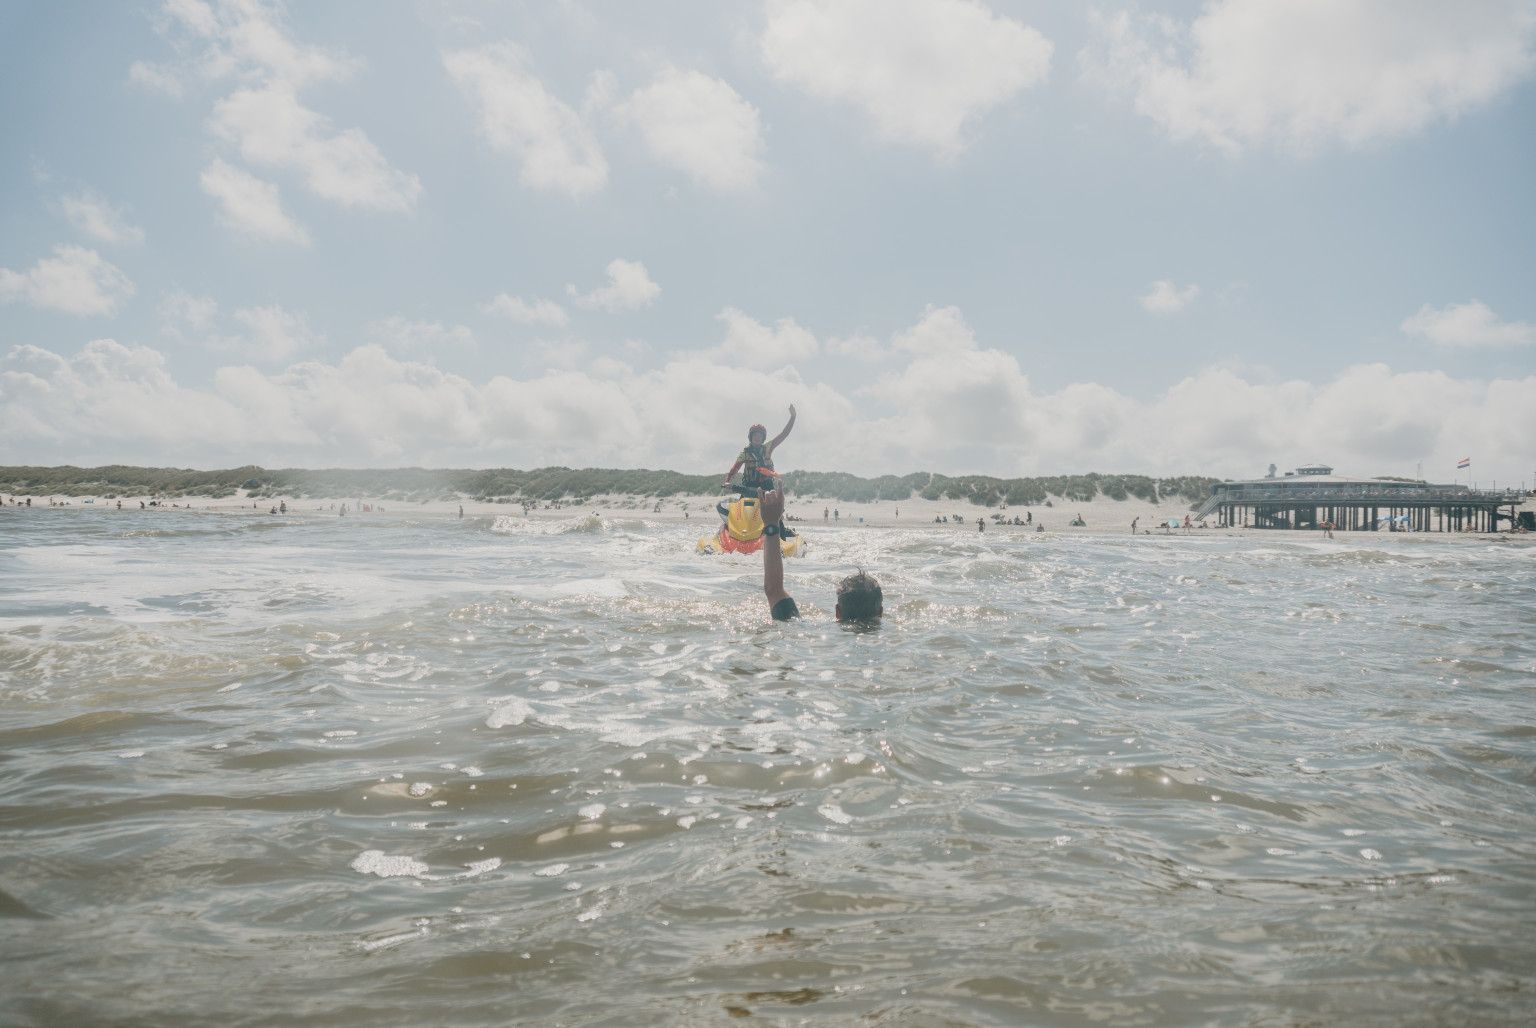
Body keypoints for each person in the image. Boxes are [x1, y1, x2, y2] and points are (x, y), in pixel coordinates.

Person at [759, 486, 881, 624]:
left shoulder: (810, 630)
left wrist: (771, 523)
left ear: (837, 612)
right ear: (881, 612)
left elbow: (773, 589)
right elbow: (773, 590)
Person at [723, 405, 795, 496]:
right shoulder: (744, 454)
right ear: (751, 437)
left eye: (760, 436)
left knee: (771, 490)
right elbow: (734, 469)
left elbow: (784, 434)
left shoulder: (768, 447)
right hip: (749, 488)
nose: (757, 438)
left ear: (763, 438)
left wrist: (793, 417)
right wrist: (727, 481)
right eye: (755, 435)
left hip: (767, 487)